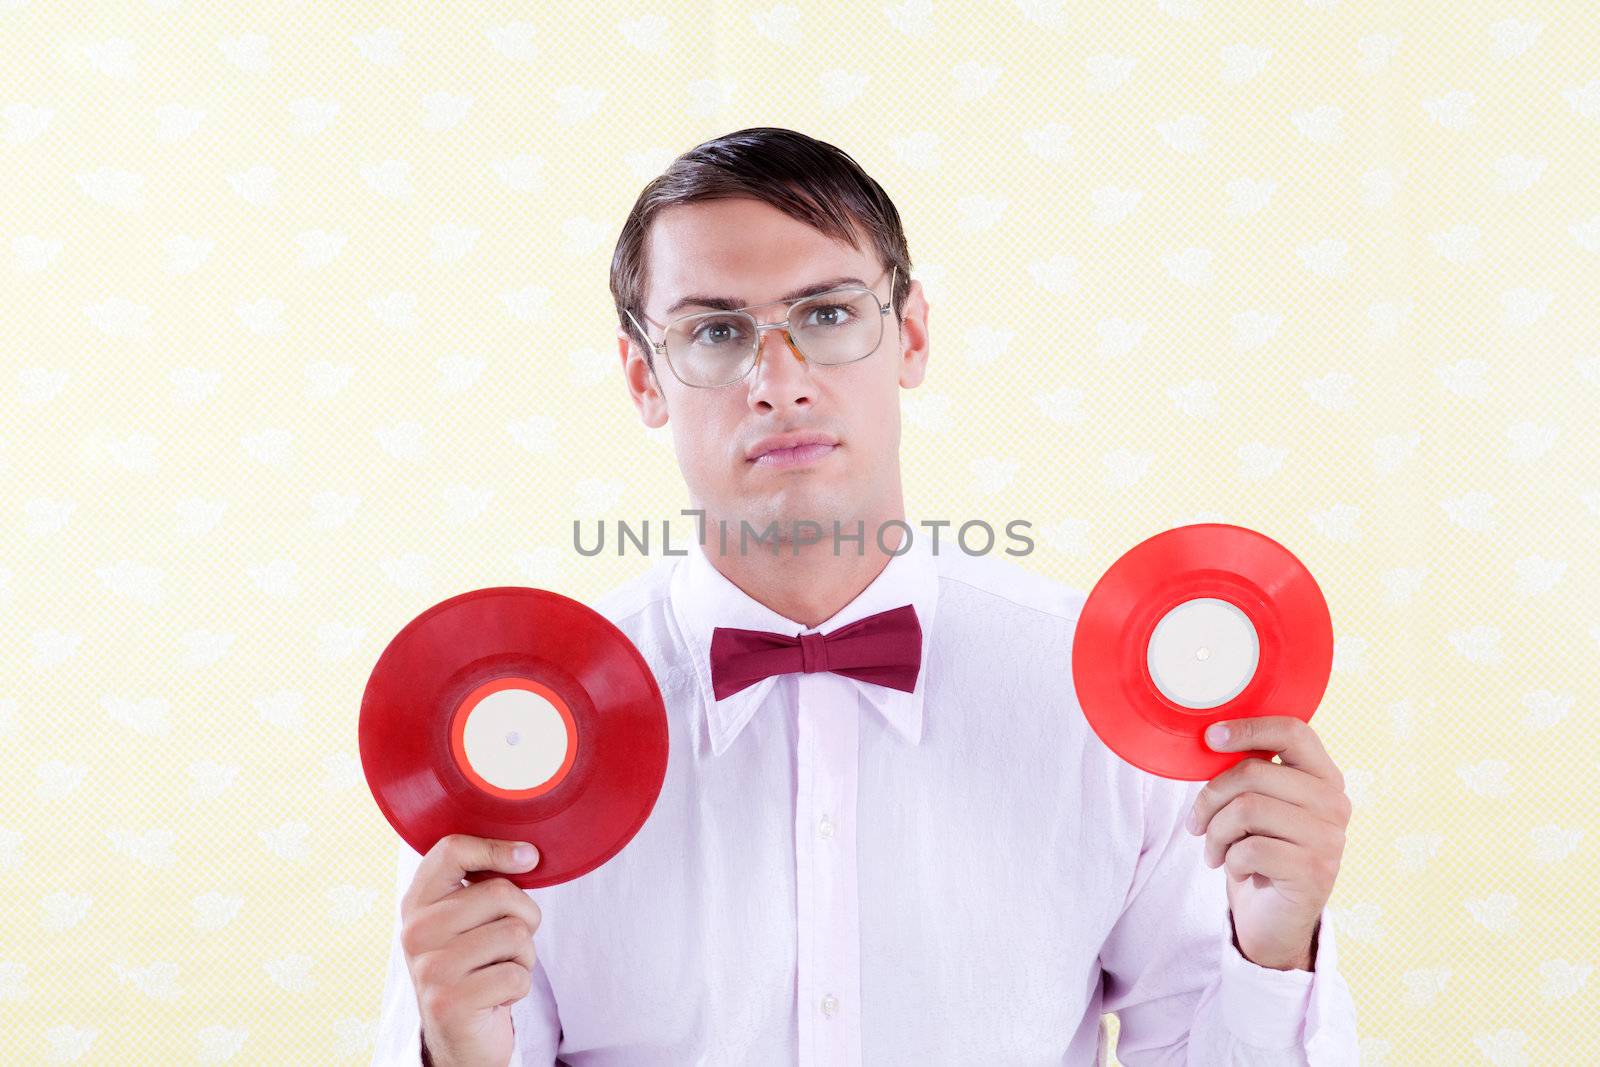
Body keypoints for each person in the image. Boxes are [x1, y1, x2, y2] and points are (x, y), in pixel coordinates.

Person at [371, 127, 1360, 1066]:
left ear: (912, 334)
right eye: (715, 331)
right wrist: (451, 1048)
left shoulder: (1100, 697)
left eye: (828, 314)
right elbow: (477, 1026)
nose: (779, 379)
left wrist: (1273, 949)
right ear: (644, 379)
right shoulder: (521, 731)